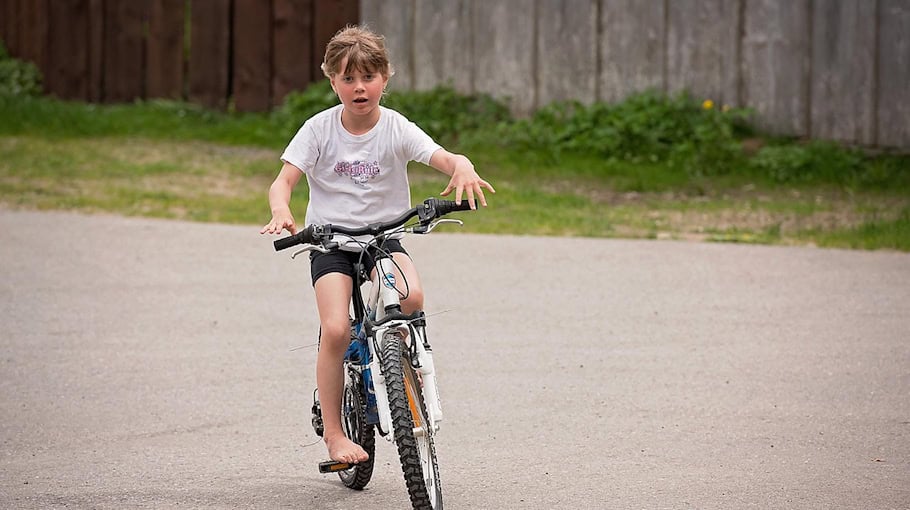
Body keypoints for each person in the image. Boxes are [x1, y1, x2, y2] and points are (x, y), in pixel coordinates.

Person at [260, 25, 495, 465]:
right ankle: (334, 434)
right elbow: (283, 181)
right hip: (329, 242)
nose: (359, 87)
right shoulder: (318, 130)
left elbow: (444, 157)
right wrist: (281, 211)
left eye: (368, 77)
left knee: (412, 296)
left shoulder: (396, 128)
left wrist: (461, 167)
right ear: (332, 81)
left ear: (386, 78)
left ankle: (399, 363)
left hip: (383, 239)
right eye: (347, 78)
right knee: (335, 329)